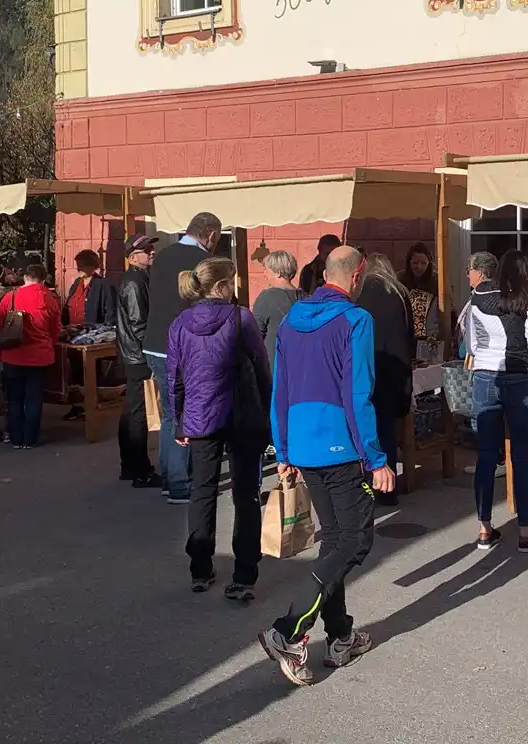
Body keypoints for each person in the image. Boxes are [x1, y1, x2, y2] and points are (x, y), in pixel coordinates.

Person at [259, 246, 391, 686]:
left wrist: (283, 451)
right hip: (340, 445)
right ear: (357, 275)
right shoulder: (356, 320)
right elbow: (358, 393)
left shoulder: (292, 318)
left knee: (334, 540)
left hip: (302, 440)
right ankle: (288, 630)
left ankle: (340, 636)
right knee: (354, 541)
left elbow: (280, 389)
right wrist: (376, 458)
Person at [168, 257, 271, 598]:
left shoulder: (179, 323)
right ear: (223, 285)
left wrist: (179, 420)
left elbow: (175, 379)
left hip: (199, 415)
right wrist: (269, 412)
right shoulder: (241, 318)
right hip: (242, 413)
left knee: (202, 491)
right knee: (246, 493)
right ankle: (244, 575)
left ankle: (200, 569)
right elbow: (262, 368)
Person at [467, 249, 528, 553]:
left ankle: (484, 529)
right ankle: (525, 532)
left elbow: (472, 344)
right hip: (517, 379)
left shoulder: (477, 297)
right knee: (521, 456)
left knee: (486, 455)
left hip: (484, 378)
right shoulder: (526, 299)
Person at [144, 212, 222, 504]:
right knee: (184, 415)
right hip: (183, 346)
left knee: (169, 414)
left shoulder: (162, 255)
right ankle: (178, 483)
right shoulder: (203, 262)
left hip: (155, 343)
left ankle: (170, 478)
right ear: (211, 235)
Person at [356, 253, 414, 505]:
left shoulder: (359, 293)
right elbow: (410, 333)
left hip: (367, 366)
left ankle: (367, 486)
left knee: (364, 429)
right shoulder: (399, 293)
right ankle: (389, 491)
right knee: (387, 430)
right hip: (393, 368)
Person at [0, 263, 61, 449]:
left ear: (25, 278)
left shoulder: (10, 296)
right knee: (34, 398)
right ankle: (30, 439)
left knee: (14, 398)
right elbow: (56, 330)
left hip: (12, 355)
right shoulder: (50, 298)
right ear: (43, 280)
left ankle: (16, 438)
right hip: (39, 356)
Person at [116, 235, 160, 489]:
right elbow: (139, 322)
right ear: (133, 257)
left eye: (151, 248)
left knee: (132, 410)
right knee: (138, 413)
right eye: (146, 249)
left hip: (133, 353)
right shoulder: (134, 281)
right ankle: (140, 470)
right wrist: (151, 352)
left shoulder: (139, 278)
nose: (152, 252)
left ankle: (130, 466)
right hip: (138, 355)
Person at [459, 251, 505, 479]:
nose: (467, 275)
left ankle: (492, 464)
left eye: (469, 270)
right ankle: (498, 461)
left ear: (479, 272)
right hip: (504, 364)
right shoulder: (504, 295)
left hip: (485, 364)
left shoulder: (478, 299)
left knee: (483, 419)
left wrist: (473, 353)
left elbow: (472, 343)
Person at [61, 249, 117, 421]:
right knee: (75, 372)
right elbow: (68, 307)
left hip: (92, 336)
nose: (79, 268)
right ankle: (78, 406)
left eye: (83, 264)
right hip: (73, 335)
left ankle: (92, 408)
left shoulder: (104, 285)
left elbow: (110, 313)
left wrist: (104, 334)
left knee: (92, 373)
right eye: (78, 264)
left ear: (93, 266)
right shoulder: (76, 284)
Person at [252, 249, 303, 369]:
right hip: (301, 364)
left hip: (275, 365)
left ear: (278, 272)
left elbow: (255, 335)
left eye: (266, 269)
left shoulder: (267, 297)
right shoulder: (306, 297)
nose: (264, 274)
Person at [399, 241, 439, 340]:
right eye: (415, 263)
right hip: (404, 333)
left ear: (429, 263)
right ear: (409, 263)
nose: (419, 267)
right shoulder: (400, 280)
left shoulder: (437, 282)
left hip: (429, 335)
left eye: (423, 263)